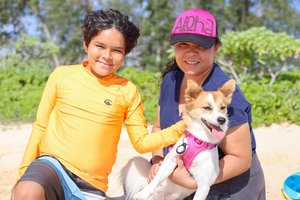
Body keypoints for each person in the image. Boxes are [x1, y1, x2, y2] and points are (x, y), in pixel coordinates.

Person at [10, 9, 185, 200]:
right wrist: (23, 176)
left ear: (125, 53)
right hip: (52, 167)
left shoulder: (127, 90)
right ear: (86, 44)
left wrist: (183, 127)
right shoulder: (62, 75)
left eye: (117, 50)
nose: (107, 56)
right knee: (27, 192)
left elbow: (142, 143)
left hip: (91, 186)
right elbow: (40, 126)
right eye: (100, 46)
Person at [148, 8, 266, 199]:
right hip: (182, 179)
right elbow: (159, 127)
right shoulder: (171, 80)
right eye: (183, 44)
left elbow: (240, 158)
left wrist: (194, 182)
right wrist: (157, 161)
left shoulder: (224, 95)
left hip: (227, 186)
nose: (190, 52)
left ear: (216, 47)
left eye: (200, 46)